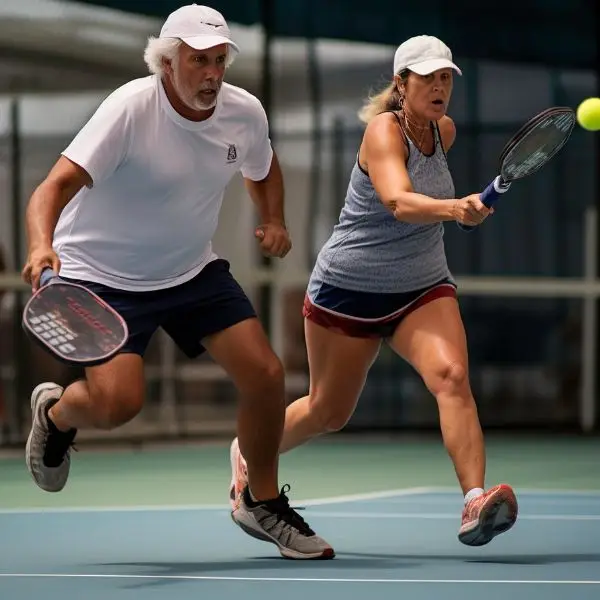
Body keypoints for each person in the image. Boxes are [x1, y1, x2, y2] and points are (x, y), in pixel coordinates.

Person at [21, 4, 333, 560]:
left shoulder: (244, 113)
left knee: (265, 375)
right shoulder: (128, 109)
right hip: (101, 276)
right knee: (119, 405)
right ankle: (57, 414)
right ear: (167, 62)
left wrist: (275, 219)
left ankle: (260, 502)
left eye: (219, 61)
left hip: (189, 270)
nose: (212, 74)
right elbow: (53, 186)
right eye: (198, 62)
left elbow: (263, 168)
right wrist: (42, 245)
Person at [230, 35, 518, 547]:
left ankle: (473, 500)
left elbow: (427, 207)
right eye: (427, 77)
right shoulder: (383, 132)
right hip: (349, 289)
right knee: (327, 412)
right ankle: (248, 451)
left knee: (452, 376)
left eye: (446, 77)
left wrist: (462, 213)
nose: (439, 86)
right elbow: (399, 202)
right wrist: (455, 208)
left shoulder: (442, 132)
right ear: (400, 84)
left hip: (422, 286)